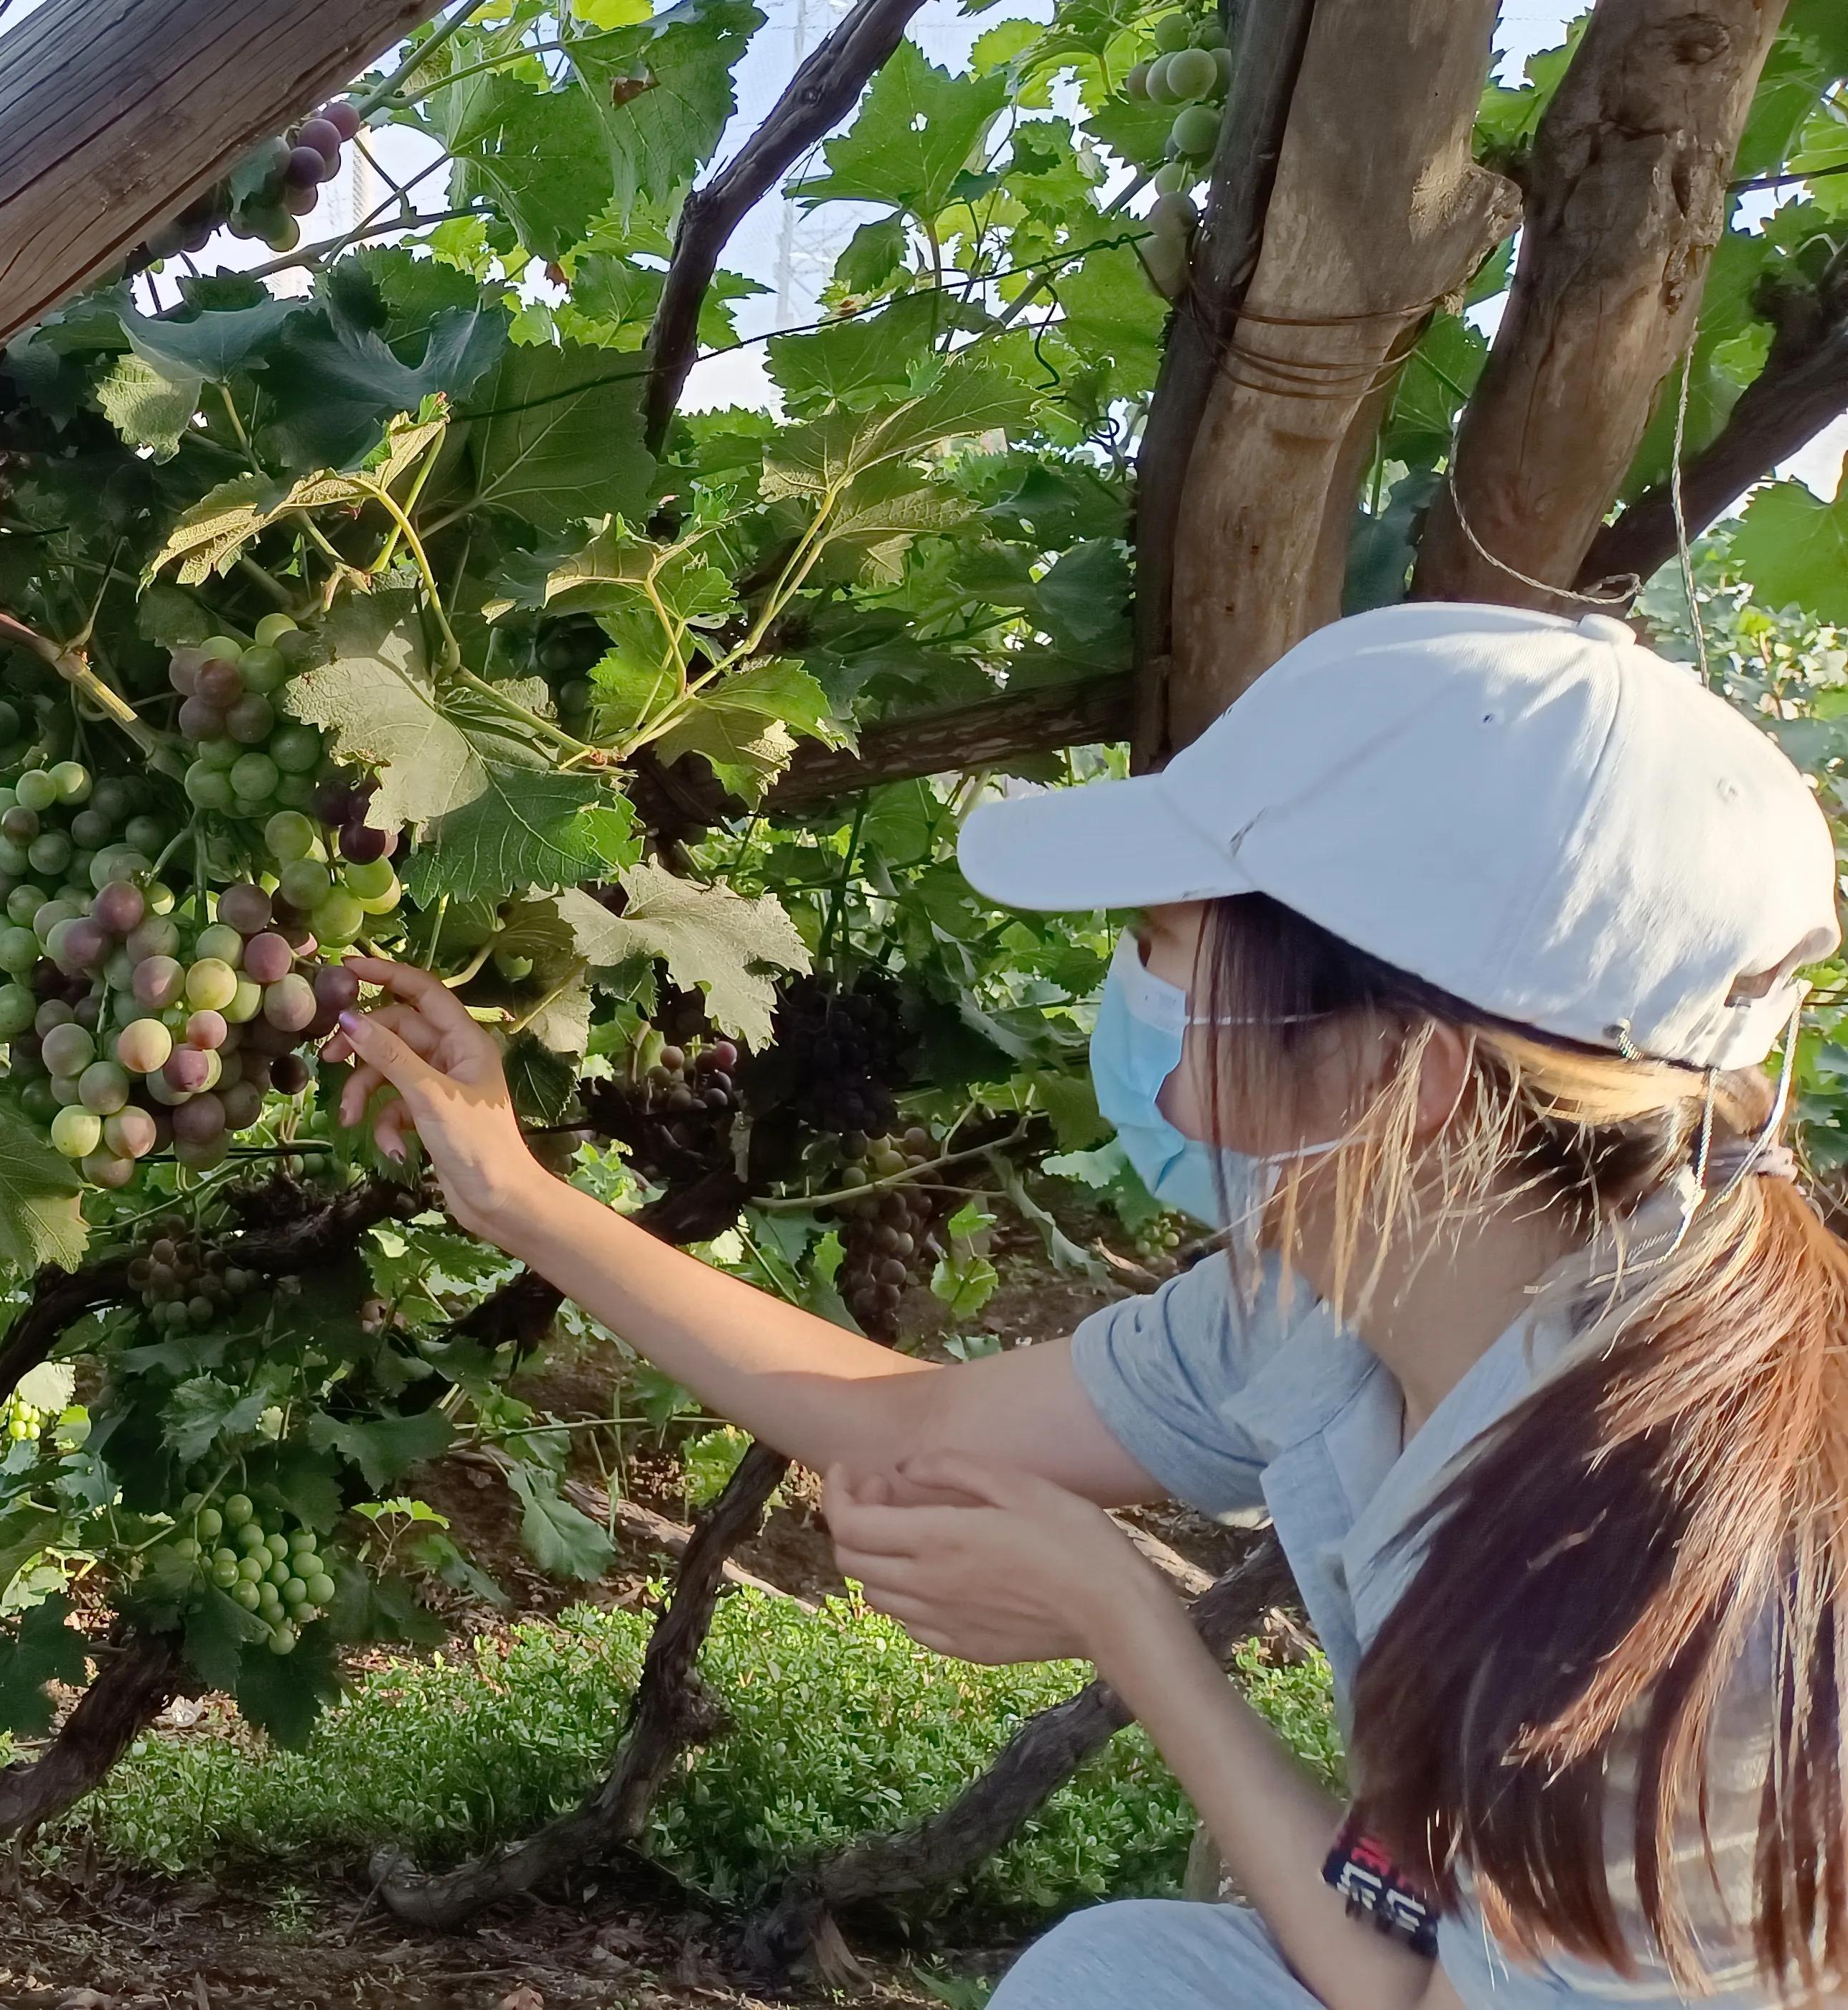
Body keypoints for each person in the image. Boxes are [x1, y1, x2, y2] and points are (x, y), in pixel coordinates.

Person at [322, 604, 1848, 2009]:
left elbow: (1421, 1998)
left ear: (1410, 1076)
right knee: (1121, 1975)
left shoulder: (1693, 1567)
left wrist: (1126, 1616)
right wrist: (516, 1194)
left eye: (1172, 953)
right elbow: (902, 1415)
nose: (1136, 994)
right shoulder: (1328, 1302)